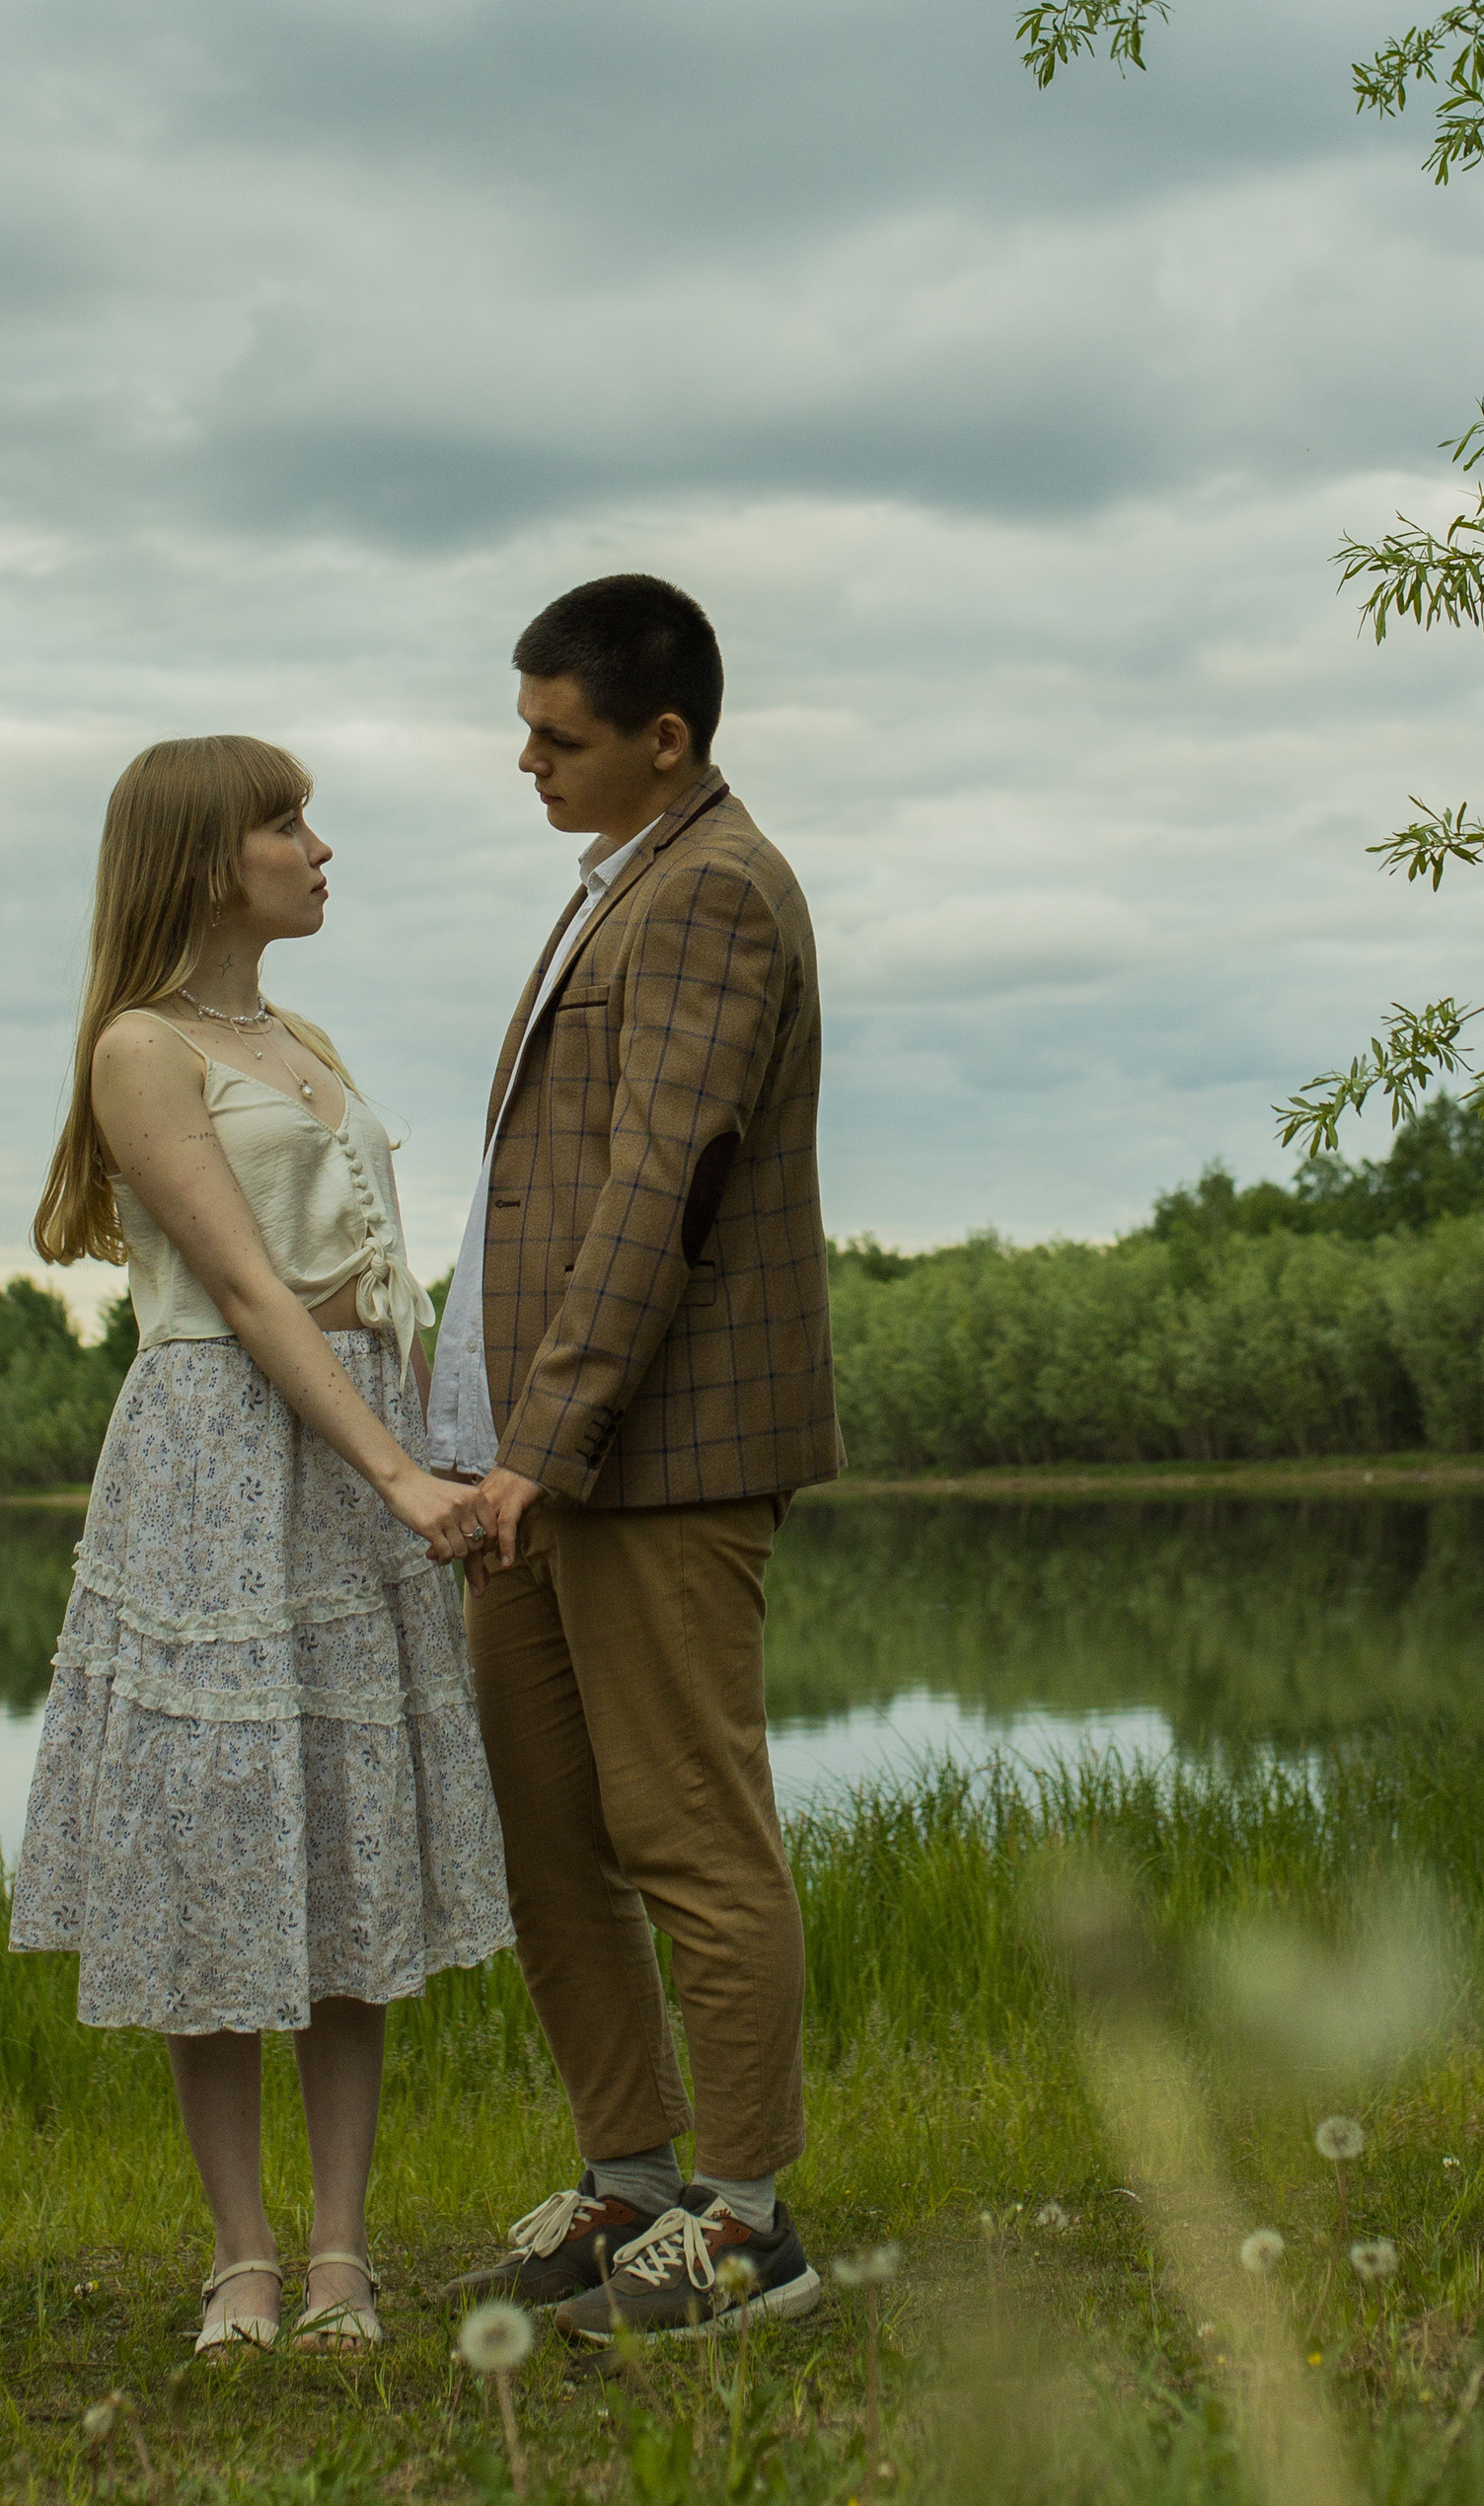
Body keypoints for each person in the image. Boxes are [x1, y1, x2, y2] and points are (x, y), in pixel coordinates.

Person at [11, 737, 512, 2355]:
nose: (318, 846)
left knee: (344, 1851)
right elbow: (242, 1294)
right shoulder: (140, 1047)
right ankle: (241, 2255)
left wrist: (452, 1453)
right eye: (285, 822)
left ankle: (343, 2255)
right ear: (206, 855)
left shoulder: (301, 1037)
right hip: (227, 1457)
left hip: (358, 1456)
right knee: (224, 1860)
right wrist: (397, 1476)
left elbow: (387, 1288)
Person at [427, 573, 839, 2339]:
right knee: (550, 1833)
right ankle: (631, 2184)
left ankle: (748, 2224)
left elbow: (659, 1194)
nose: (524, 763)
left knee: (686, 1826)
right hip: (531, 1457)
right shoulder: (618, 886)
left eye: (556, 735)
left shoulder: (714, 892)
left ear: (662, 737)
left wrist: (551, 1438)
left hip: (641, 1456)